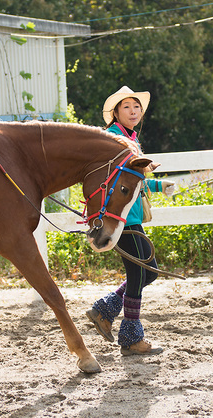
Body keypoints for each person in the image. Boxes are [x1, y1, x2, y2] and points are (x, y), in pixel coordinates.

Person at [86, 86, 176, 356]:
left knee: (149, 271)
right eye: (126, 106)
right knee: (140, 273)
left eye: (136, 106)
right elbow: (120, 175)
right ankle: (131, 337)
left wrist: (158, 186)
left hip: (130, 215)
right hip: (119, 217)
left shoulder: (129, 138)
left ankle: (105, 309)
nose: (133, 111)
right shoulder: (115, 138)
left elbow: (134, 180)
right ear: (115, 113)